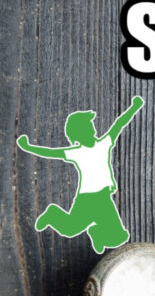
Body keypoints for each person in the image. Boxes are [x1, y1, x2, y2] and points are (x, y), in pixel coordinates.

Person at [17, 96, 144, 254]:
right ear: (78, 133)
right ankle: (52, 214)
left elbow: (119, 124)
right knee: (70, 229)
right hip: (87, 199)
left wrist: (134, 107)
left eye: (91, 125)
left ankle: (96, 233)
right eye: (88, 126)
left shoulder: (104, 143)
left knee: (118, 238)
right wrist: (27, 147)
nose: (93, 128)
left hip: (104, 198)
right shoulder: (76, 153)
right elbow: (50, 153)